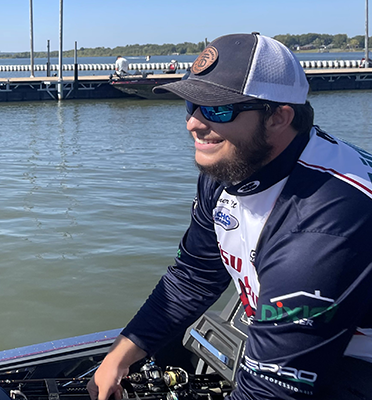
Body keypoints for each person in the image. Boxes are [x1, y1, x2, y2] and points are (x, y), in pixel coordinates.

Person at [87, 33, 372, 400]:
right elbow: (193, 276)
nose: (193, 123)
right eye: (191, 104)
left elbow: (271, 393)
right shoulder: (232, 169)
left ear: (279, 118)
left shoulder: (321, 223)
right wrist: (119, 357)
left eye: (218, 110)